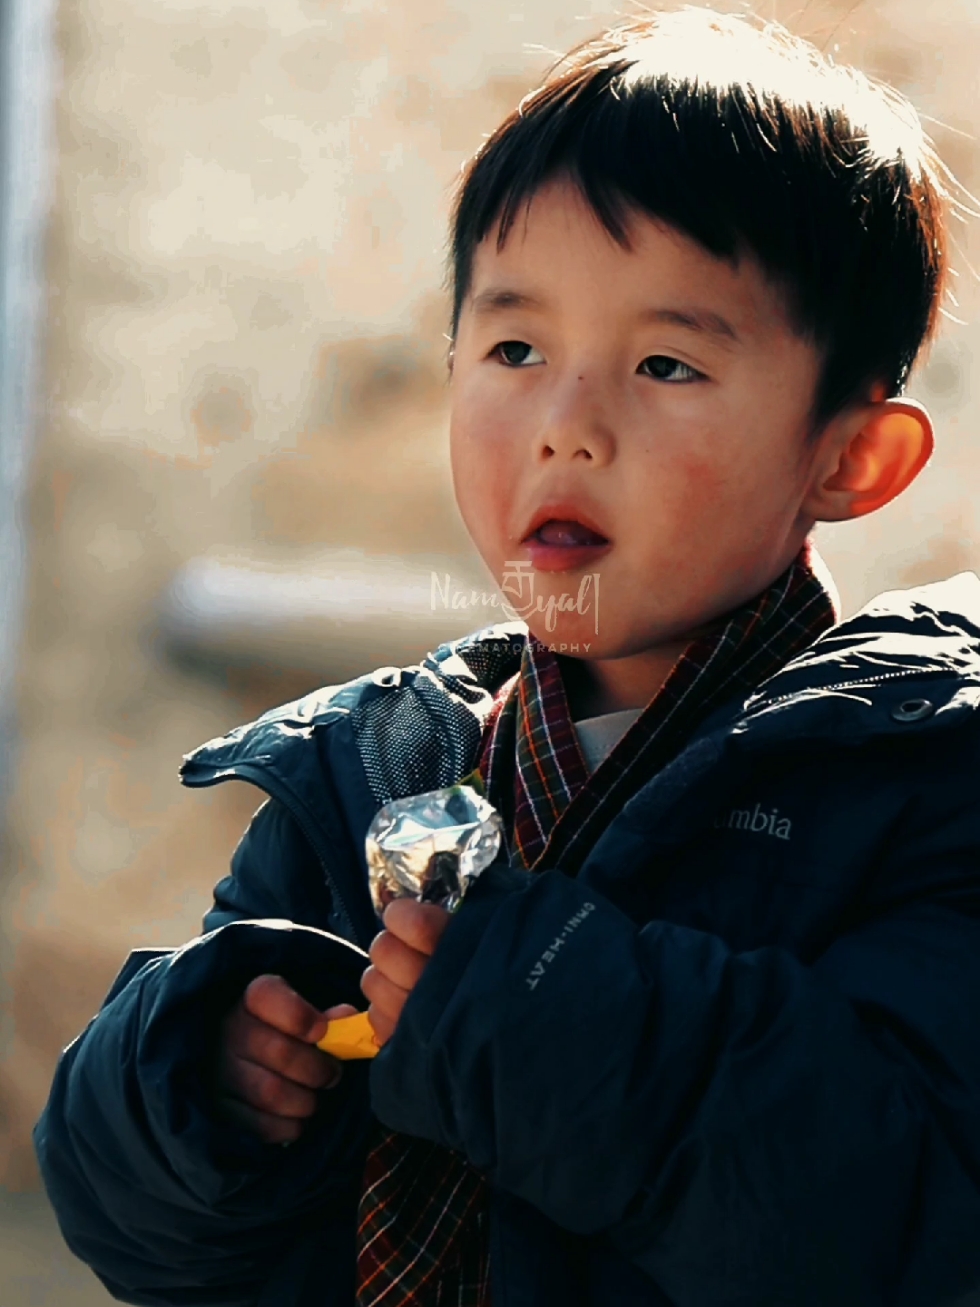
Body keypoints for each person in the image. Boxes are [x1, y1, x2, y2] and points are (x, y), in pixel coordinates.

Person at [33, 9, 980, 1306]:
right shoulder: (369, 772)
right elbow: (141, 1238)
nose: (566, 427)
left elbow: (907, 1227)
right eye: (516, 349)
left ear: (848, 461)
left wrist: (537, 1011)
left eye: (664, 363)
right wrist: (199, 1086)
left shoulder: (919, 788)